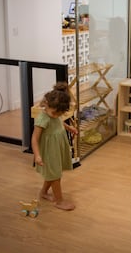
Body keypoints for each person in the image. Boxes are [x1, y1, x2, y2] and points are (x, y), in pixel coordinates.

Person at [31, 82, 77, 211]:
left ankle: (44, 193)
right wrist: (37, 155)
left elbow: (58, 122)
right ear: (46, 104)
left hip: (57, 147)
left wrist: (69, 127)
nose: (56, 116)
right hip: (49, 151)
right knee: (55, 175)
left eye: (59, 114)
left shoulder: (54, 114)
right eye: (54, 113)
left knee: (53, 173)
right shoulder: (43, 119)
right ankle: (59, 201)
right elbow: (34, 139)